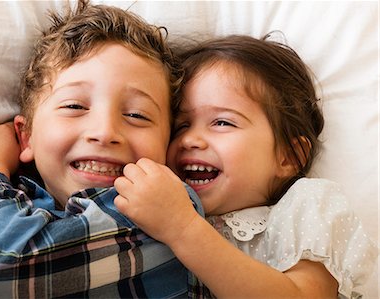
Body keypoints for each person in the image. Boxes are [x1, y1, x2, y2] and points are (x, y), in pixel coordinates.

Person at [0, 0, 203, 297]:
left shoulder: (163, 210)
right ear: (26, 137)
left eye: (137, 115)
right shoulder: (11, 199)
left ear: (167, 143)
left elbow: (2, 266)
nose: (105, 132)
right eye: (74, 106)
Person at [114, 34, 378, 298]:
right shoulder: (159, 212)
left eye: (222, 122)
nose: (189, 139)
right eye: (181, 125)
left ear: (288, 157)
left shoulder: (306, 205)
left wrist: (183, 229)